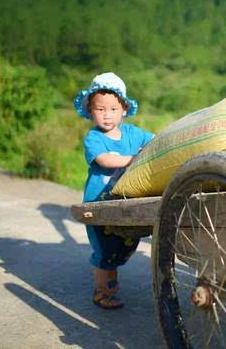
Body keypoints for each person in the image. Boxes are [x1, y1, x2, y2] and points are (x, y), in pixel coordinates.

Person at [74, 72, 154, 309]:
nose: (106, 115)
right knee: (104, 248)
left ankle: (111, 281)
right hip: (100, 203)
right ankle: (102, 291)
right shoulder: (93, 138)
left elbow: (153, 142)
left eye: (112, 109)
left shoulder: (133, 134)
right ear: (90, 110)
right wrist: (132, 159)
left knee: (124, 245)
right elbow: (105, 160)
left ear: (124, 110)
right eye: (100, 109)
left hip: (124, 202)